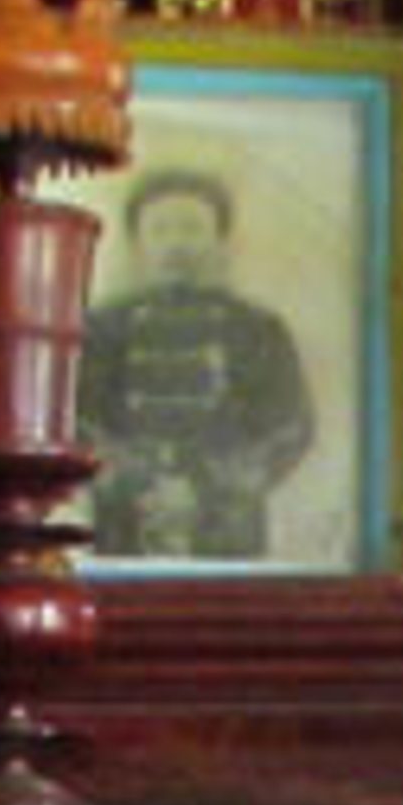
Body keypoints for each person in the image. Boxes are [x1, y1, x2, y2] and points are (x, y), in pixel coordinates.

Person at [78, 166, 316, 559]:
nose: (176, 245)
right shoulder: (101, 328)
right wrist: (138, 483)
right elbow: (76, 424)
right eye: (161, 229)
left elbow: (290, 425)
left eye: (191, 229)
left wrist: (205, 487)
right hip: (129, 519)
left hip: (227, 523)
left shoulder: (258, 328)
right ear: (138, 242)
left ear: (219, 240)